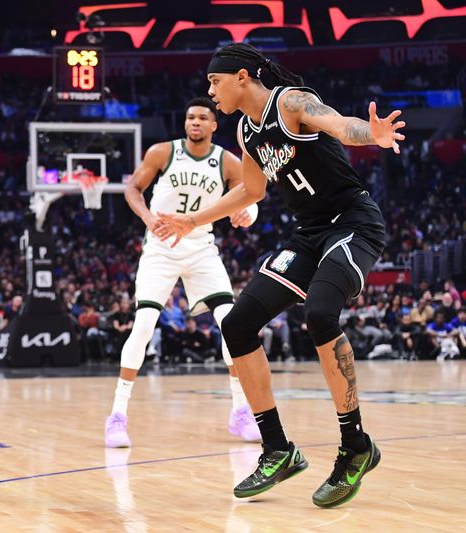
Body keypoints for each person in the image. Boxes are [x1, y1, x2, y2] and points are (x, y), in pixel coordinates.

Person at [155, 43, 404, 507]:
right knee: (237, 324)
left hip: (352, 224)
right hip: (309, 234)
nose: (210, 92)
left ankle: (355, 447)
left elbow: (337, 125)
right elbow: (252, 190)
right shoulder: (247, 131)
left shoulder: (289, 102)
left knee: (321, 313)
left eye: (215, 81)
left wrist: (370, 133)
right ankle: (278, 449)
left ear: (243, 76)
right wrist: (193, 220)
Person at [105, 97, 261, 449]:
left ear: (214, 125)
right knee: (143, 326)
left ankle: (240, 411)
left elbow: (251, 196)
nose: (195, 122)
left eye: (203, 118)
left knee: (232, 325)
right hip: (161, 249)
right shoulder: (163, 152)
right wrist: (147, 218)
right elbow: (133, 188)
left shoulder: (227, 161)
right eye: (190, 117)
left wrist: (247, 214)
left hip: (202, 248)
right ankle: (117, 416)